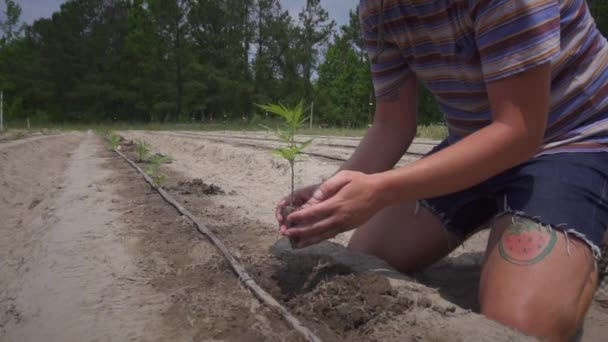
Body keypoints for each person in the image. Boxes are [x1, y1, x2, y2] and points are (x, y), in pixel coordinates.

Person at [275, 0, 608, 340]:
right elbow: (392, 125)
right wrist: (326, 194)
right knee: (364, 259)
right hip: (474, 140)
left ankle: (591, 225)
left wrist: (381, 190)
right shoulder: (376, 9)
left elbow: (519, 130)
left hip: (571, 139)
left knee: (516, 326)